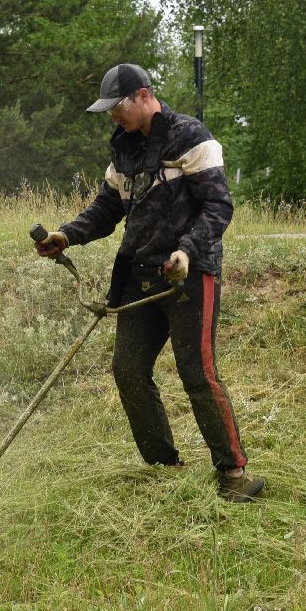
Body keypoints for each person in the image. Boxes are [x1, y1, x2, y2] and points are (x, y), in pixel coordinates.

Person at [34, 63, 264, 502]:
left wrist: (188, 250)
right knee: (128, 370)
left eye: (117, 108)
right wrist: (69, 234)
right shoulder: (122, 148)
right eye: (107, 112)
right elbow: (106, 208)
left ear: (143, 96)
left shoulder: (190, 137)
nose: (113, 118)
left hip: (187, 276)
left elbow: (218, 207)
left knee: (197, 372)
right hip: (138, 278)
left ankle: (234, 476)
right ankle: (165, 468)